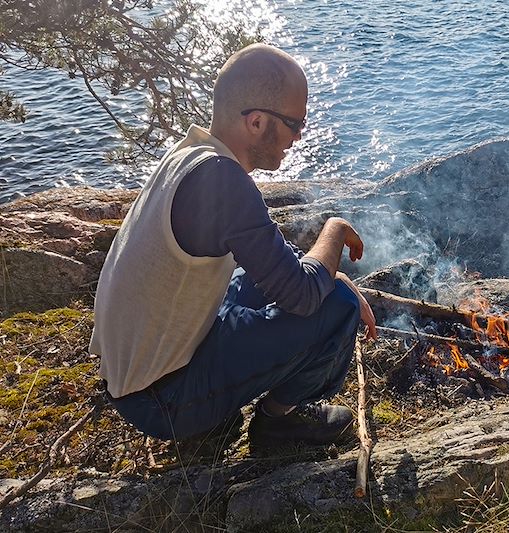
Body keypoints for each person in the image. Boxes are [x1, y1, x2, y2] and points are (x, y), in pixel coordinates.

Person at [89, 43, 377, 450]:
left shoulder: (193, 153)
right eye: (296, 123)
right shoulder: (223, 182)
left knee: (295, 279)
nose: (298, 137)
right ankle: (278, 423)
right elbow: (303, 295)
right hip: (159, 399)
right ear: (257, 122)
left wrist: (332, 272)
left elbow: (271, 264)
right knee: (338, 304)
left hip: (139, 369)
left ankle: (211, 421)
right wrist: (334, 230)